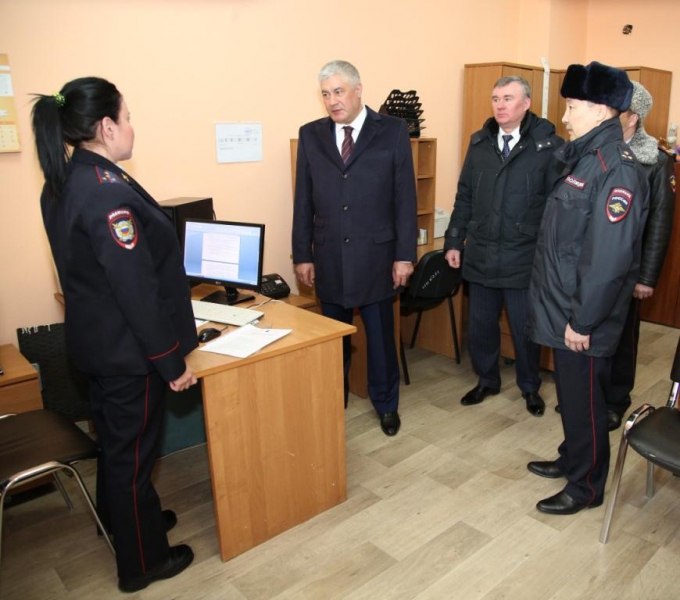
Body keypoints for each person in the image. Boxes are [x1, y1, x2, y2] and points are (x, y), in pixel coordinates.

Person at [31, 77, 198, 592]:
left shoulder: (64, 181)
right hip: (130, 356)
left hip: (97, 346)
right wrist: (171, 362)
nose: (131, 127)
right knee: (131, 460)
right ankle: (143, 562)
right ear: (106, 127)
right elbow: (136, 291)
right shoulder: (106, 195)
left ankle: (127, 524)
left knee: (118, 449)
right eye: (127, 118)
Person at [526, 62, 649, 515]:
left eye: (572, 107)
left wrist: (583, 320)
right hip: (566, 306)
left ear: (600, 110)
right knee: (572, 397)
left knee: (587, 402)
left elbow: (609, 260)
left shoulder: (616, 169)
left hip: (584, 315)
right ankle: (572, 458)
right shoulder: (584, 157)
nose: (564, 117)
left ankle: (587, 487)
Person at [292, 60, 417, 436]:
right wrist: (302, 254)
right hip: (329, 257)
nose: (332, 101)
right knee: (333, 339)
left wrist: (404, 255)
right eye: (325, 94)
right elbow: (303, 200)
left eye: (339, 91)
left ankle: (387, 405)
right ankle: (334, 398)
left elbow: (404, 198)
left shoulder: (392, 131)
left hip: (378, 257)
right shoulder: (310, 135)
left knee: (380, 340)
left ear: (358, 90)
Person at [443, 76, 563, 416]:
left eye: (508, 98)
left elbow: (557, 205)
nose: (500, 105)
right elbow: (464, 195)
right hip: (481, 253)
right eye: (496, 98)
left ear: (526, 103)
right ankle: (487, 380)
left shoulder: (548, 146)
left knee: (525, 329)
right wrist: (454, 240)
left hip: (524, 255)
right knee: (481, 325)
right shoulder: (479, 143)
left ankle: (530, 386)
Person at [606, 81, 676, 431]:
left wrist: (646, 277)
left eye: (613, 109)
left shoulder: (655, 161)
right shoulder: (598, 151)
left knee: (622, 338)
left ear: (633, 117)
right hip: (595, 266)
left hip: (629, 268)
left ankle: (616, 401)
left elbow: (661, 223)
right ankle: (588, 396)